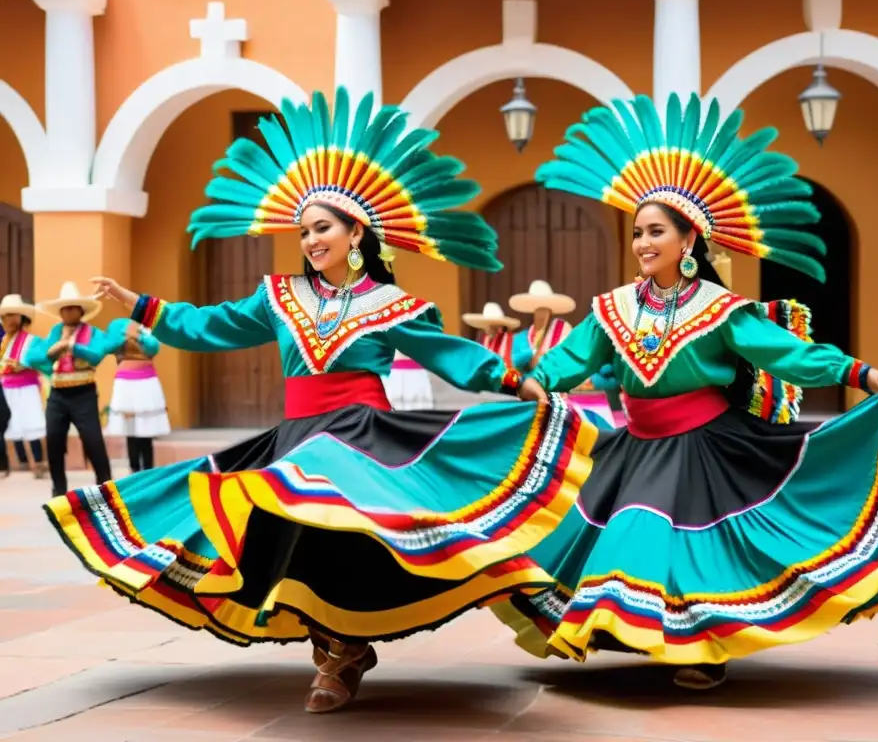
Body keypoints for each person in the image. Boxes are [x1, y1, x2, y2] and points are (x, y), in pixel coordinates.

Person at [44, 87, 594, 715]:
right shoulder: (278, 296)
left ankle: (344, 650)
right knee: (291, 540)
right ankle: (336, 647)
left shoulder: (393, 305)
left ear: (355, 230)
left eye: (322, 227)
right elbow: (212, 325)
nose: (309, 239)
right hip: (298, 434)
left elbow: (448, 352)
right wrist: (141, 303)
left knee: (356, 537)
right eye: (303, 230)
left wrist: (511, 380)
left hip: (362, 435)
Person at [492, 92, 878, 690]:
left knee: (690, 548)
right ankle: (651, 636)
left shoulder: (721, 310)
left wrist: (857, 373)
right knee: (622, 539)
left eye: (655, 232)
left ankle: (699, 650)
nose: (641, 243)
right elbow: (572, 356)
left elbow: (787, 354)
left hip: (702, 443)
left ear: (687, 241)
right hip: (636, 445)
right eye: (637, 232)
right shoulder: (612, 308)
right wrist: (530, 381)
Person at [26, 282, 113, 497]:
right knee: (54, 440)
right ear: (60, 312)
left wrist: (72, 347)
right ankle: (58, 490)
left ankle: (106, 488)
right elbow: (31, 357)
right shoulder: (55, 332)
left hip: (83, 393)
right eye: (65, 308)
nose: (68, 312)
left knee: (93, 440)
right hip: (57, 395)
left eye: (73, 307)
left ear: (81, 310)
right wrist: (51, 352)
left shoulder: (92, 332)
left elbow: (97, 354)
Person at [510, 280, 619, 429]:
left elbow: (573, 361)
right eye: (538, 309)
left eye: (545, 309)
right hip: (529, 395)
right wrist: (531, 357)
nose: (541, 313)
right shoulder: (522, 338)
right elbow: (517, 361)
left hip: (559, 397)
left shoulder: (563, 330)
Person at [104, 318, 171, 472]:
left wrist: (137, 336)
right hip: (125, 383)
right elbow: (109, 346)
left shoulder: (148, 329)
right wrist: (123, 337)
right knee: (130, 428)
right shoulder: (119, 327)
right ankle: (134, 468)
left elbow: (153, 347)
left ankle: (148, 469)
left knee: (146, 428)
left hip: (146, 382)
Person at [0, 294, 48, 478]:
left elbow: (42, 360)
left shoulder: (32, 340)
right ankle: (23, 462)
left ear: (21, 317)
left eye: (14, 315)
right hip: (6, 387)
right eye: (6, 316)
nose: (10, 319)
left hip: (27, 386)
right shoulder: (3, 342)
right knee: (12, 424)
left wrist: (24, 364)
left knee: (32, 421)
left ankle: (39, 461)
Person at [462, 301, 520, 368]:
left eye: (492, 327)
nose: (487, 329)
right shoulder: (483, 340)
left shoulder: (512, 340)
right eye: (486, 326)